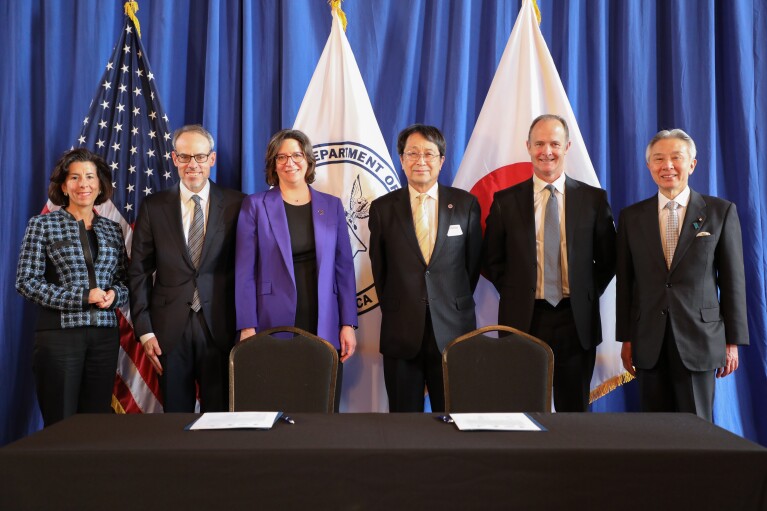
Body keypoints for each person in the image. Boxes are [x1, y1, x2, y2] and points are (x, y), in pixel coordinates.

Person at [483, 114, 616, 412]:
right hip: (525, 319)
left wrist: (587, 291)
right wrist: (517, 289)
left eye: (554, 143)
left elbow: (609, 258)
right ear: (528, 146)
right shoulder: (506, 201)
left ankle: (574, 461)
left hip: (576, 320)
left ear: (567, 146)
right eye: (540, 143)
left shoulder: (593, 200)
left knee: (574, 411)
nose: (547, 151)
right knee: (525, 407)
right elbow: (491, 258)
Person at [616, 129, 748, 421]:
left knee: (698, 430)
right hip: (648, 341)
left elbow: (733, 281)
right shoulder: (631, 217)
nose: (667, 166)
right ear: (649, 166)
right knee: (654, 433)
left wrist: (732, 341)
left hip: (700, 339)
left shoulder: (720, 212)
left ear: (692, 164)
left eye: (676, 158)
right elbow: (626, 282)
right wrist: (626, 338)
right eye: (659, 159)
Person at [235, 129, 357, 411]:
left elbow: (344, 269)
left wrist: (348, 323)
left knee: (321, 400)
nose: (290, 162)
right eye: (282, 157)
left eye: (296, 155)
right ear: (273, 164)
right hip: (271, 316)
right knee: (278, 396)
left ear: (308, 160)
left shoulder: (332, 205)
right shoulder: (255, 205)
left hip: (322, 315)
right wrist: (247, 326)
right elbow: (244, 271)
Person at [129, 124, 245, 412]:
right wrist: (144, 330)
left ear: (212, 159)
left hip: (220, 326)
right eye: (185, 157)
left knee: (219, 416)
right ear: (174, 158)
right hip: (168, 329)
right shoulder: (153, 206)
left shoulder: (238, 204)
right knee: (174, 419)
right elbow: (139, 271)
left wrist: (246, 325)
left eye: (200, 157)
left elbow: (247, 270)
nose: (192, 165)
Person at [369, 124, 482, 412]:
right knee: (403, 422)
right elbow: (380, 269)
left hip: (453, 330)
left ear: (442, 160)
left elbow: (471, 267)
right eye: (413, 153)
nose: (421, 160)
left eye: (429, 154)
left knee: (455, 417)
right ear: (402, 159)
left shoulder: (466, 204)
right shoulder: (383, 208)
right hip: (401, 328)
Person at [16, 148, 129, 426]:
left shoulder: (112, 229)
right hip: (59, 337)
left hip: (104, 337)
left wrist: (115, 295)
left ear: (100, 184)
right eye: (75, 177)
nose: (84, 184)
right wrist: (81, 296)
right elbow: (26, 282)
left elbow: (125, 282)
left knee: (95, 422)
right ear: (64, 185)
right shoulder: (43, 224)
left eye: (90, 177)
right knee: (61, 421)